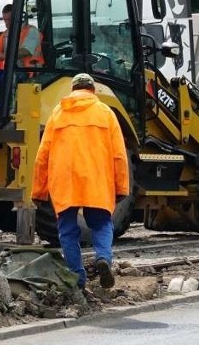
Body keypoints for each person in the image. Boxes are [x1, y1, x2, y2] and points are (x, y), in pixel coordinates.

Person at [32, 73, 129, 289]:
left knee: (67, 229)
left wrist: (38, 191)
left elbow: (43, 155)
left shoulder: (58, 113)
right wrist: (121, 187)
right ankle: (103, 257)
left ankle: (77, 277)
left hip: (65, 181)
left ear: (73, 90)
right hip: (96, 180)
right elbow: (119, 154)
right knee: (102, 223)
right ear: (92, 90)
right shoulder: (106, 113)